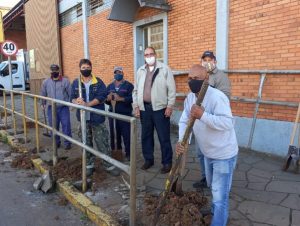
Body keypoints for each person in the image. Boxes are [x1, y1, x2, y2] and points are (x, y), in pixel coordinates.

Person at [176, 64, 238, 226]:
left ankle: (218, 220)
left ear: (206, 79)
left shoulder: (217, 97)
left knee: (220, 197)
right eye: (189, 78)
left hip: (223, 155)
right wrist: (182, 141)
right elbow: (184, 121)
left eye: (196, 78)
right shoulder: (190, 98)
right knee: (214, 189)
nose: (191, 81)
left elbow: (227, 123)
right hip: (207, 153)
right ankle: (214, 212)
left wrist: (203, 115)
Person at [71, 59, 119, 176]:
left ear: (91, 68)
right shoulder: (76, 83)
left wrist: (87, 105)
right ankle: (89, 165)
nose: (86, 70)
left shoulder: (98, 82)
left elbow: (101, 96)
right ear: (80, 69)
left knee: (102, 141)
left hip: (97, 117)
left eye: (88, 67)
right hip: (83, 118)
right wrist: (76, 101)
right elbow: (71, 97)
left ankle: (109, 165)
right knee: (85, 142)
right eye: (83, 68)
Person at [132, 47, 176, 174]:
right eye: (146, 54)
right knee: (146, 136)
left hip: (160, 109)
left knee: (164, 137)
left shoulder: (164, 69)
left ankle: (167, 162)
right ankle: (148, 160)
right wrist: (136, 106)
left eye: (151, 54)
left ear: (156, 55)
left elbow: (172, 90)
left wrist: (170, 106)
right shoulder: (140, 70)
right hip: (144, 109)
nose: (149, 56)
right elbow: (135, 90)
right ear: (144, 57)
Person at [194, 50, 232, 189]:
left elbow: (225, 97)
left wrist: (210, 97)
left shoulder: (221, 76)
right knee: (200, 153)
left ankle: (215, 180)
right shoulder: (200, 75)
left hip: (213, 120)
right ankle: (205, 178)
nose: (207, 62)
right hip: (200, 121)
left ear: (215, 61)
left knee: (213, 155)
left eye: (210, 59)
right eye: (204, 59)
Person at [40, 64, 72, 150]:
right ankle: (56, 142)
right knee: (53, 125)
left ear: (59, 71)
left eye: (56, 71)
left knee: (66, 125)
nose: (54, 72)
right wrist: (42, 103)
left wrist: (71, 104)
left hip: (63, 107)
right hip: (51, 107)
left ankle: (67, 143)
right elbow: (43, 94)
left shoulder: (65, 81)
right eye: (52, 71)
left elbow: (70, 94)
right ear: (50, 71)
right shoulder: (46, 82)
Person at [106, 66, 134, 161]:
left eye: (120, 72)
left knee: (127, 135)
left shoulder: (129, 85)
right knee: (114, 134)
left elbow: (132, 98)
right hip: (113, 115)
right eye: (116, 72)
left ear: (123, 73)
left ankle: (129, 153)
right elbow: (105, 100)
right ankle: (116, 152)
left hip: (124, 115)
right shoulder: (110, 86)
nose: (118, 74)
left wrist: (121, 99)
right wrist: (108, 99)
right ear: (114, 74)